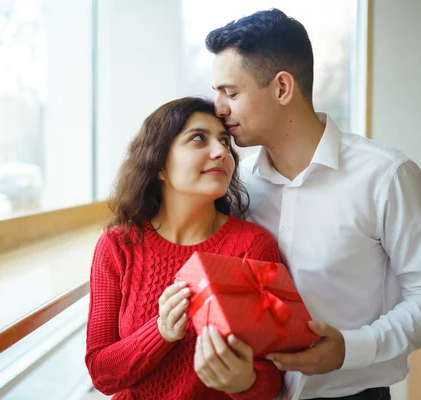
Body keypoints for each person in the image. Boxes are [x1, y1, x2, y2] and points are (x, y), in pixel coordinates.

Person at [200, 8, 421, 400]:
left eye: (231, 93)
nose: (218, 108)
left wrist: (351, 348)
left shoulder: (385, 175)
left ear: (282, 87)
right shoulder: (239, 184)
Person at [85, 97, 283, 399]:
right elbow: (102, 373)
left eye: (225, 141)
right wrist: (160, 332)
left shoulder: (253, 246)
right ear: (159, 165)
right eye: (198, 139)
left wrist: (244, 381)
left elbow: (272, 377)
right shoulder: (117, 246)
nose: (221, 152)